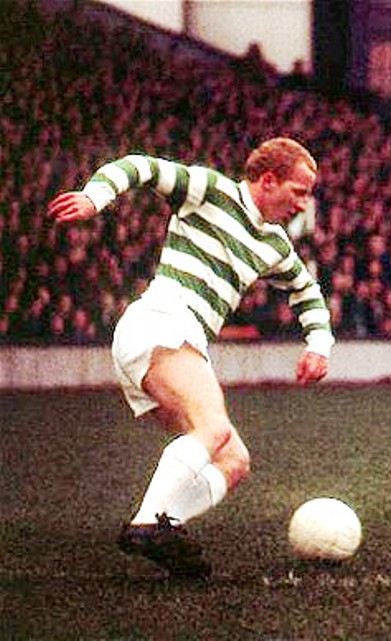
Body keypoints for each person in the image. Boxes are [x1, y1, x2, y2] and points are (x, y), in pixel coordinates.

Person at [47, 138, 334, 578]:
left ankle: (166, 524)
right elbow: (141, 166)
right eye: (298, 192)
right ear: (268, 180)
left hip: (174, 337)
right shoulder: (212, 190)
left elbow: (306, 290)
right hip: (162, 321)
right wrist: (95, 196)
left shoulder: (275, 244)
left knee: (233, 460)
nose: (302, 204)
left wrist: (318, 344)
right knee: (212, 428)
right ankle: (148, 524)